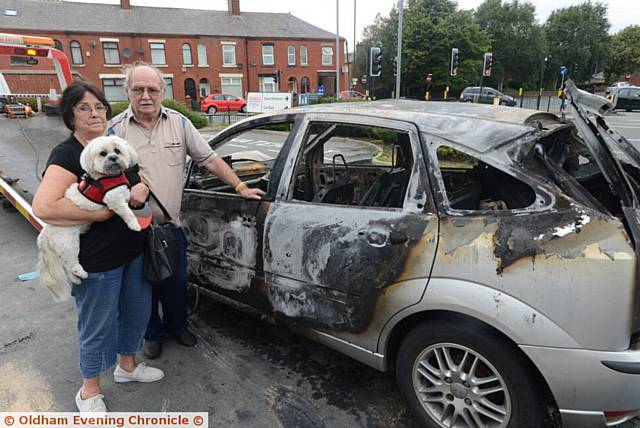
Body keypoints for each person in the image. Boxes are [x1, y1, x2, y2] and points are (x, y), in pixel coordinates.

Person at [108, 62, 264, 359]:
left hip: (170, 226)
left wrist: (239, 186)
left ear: (162, 92)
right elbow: (100, 173)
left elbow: (209, 158)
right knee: (143, 289)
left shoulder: (179, 123)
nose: (145, 95)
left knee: (176, 282)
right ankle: (151, 334)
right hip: (132, 230)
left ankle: (178, 326)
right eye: (138, 89)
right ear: (127, 91)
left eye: (152, 89)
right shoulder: (115, 130)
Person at [32, 80, 163, 412]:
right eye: (84, 108)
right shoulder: (67, 154)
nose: (95, 114)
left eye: (100, 107)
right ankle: (89, 390)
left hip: (133, 251)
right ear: (70, 115)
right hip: (97, 259)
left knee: (136, 313)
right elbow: (45, 208)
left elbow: (135, 180)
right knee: (97, 323)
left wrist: (142, 190)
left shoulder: (114, 144)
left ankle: (127, 367)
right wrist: (104, 213)